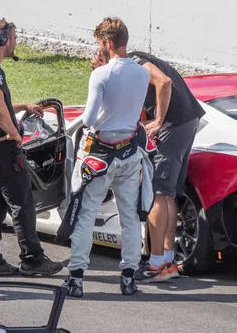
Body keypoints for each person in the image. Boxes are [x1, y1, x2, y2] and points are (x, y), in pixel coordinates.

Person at [59, 17, 151, 297]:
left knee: (86, 214)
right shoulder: (142, 73)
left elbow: (89, 118)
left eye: (100, 43)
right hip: (129, 154)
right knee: (130, 218)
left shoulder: (100, 75)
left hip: (99, 154)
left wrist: (99, 73)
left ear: (108, 43)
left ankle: (76, 277)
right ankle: (128, 276)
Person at [0, 18, 63, 277]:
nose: (15, 42)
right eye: (13, 37)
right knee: (22, 204)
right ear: (3, 41)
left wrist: (22, 106)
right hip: (5, 150)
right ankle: (32, 259)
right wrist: (15, 135)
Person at [126, 51, 205, 282]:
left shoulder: (133, 61)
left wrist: (159, 120)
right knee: (168, 194)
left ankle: (156, 264)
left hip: (173, 122)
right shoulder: (134, 63)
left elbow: (164, 81)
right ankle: (168, 261)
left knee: (157, 192)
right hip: (187, 119)